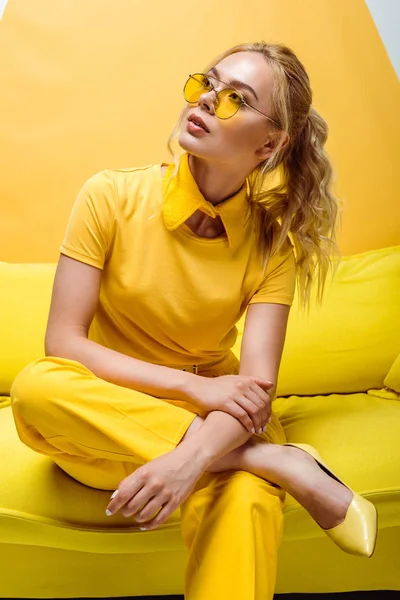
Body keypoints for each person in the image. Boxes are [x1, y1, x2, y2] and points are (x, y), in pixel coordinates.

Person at [10, 41, 377, 600]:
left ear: (270, 144)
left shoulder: (272, 243)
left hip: (212, 424)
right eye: (208, 82)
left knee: (248, 496)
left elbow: (254, 388)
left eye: (236, 98)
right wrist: (192, 392)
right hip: (104, 415)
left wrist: (192, 458)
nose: (206, 99)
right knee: (36, 388)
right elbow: (64, 343)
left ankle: (250, 463)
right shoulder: (109, 195)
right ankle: (280, 462)